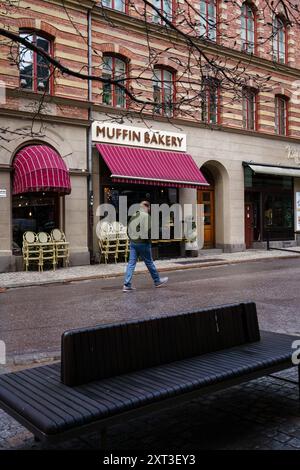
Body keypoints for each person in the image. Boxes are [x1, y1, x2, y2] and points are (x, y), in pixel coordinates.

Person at [123, 200, 168, 292]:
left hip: (133, 243)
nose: (149, 210)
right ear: (147, 207)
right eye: (148, 208)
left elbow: (128, 229)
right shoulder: (146, 216)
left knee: (131, 264)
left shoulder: (134, 215)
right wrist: (148, 241)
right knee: (149, 262)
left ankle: (127, 284)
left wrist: (131, 239)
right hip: (143, 243)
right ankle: (157, 281)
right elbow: (148, 231)